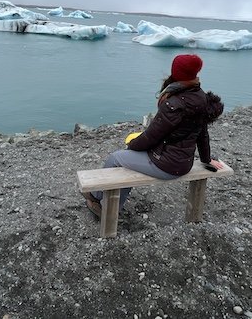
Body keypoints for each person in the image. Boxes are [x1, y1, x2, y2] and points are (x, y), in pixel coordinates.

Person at [82, 53, 225, 217]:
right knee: (127, 159)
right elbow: (203, 134)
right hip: (184, 162)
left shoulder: (174, 104)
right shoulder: (201, 97)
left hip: (167, 164)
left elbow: (151, 137)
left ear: (176, 72)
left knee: (116, 158)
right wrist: (206, 159)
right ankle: (105, 201)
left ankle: (100, 202)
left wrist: (132, 145)